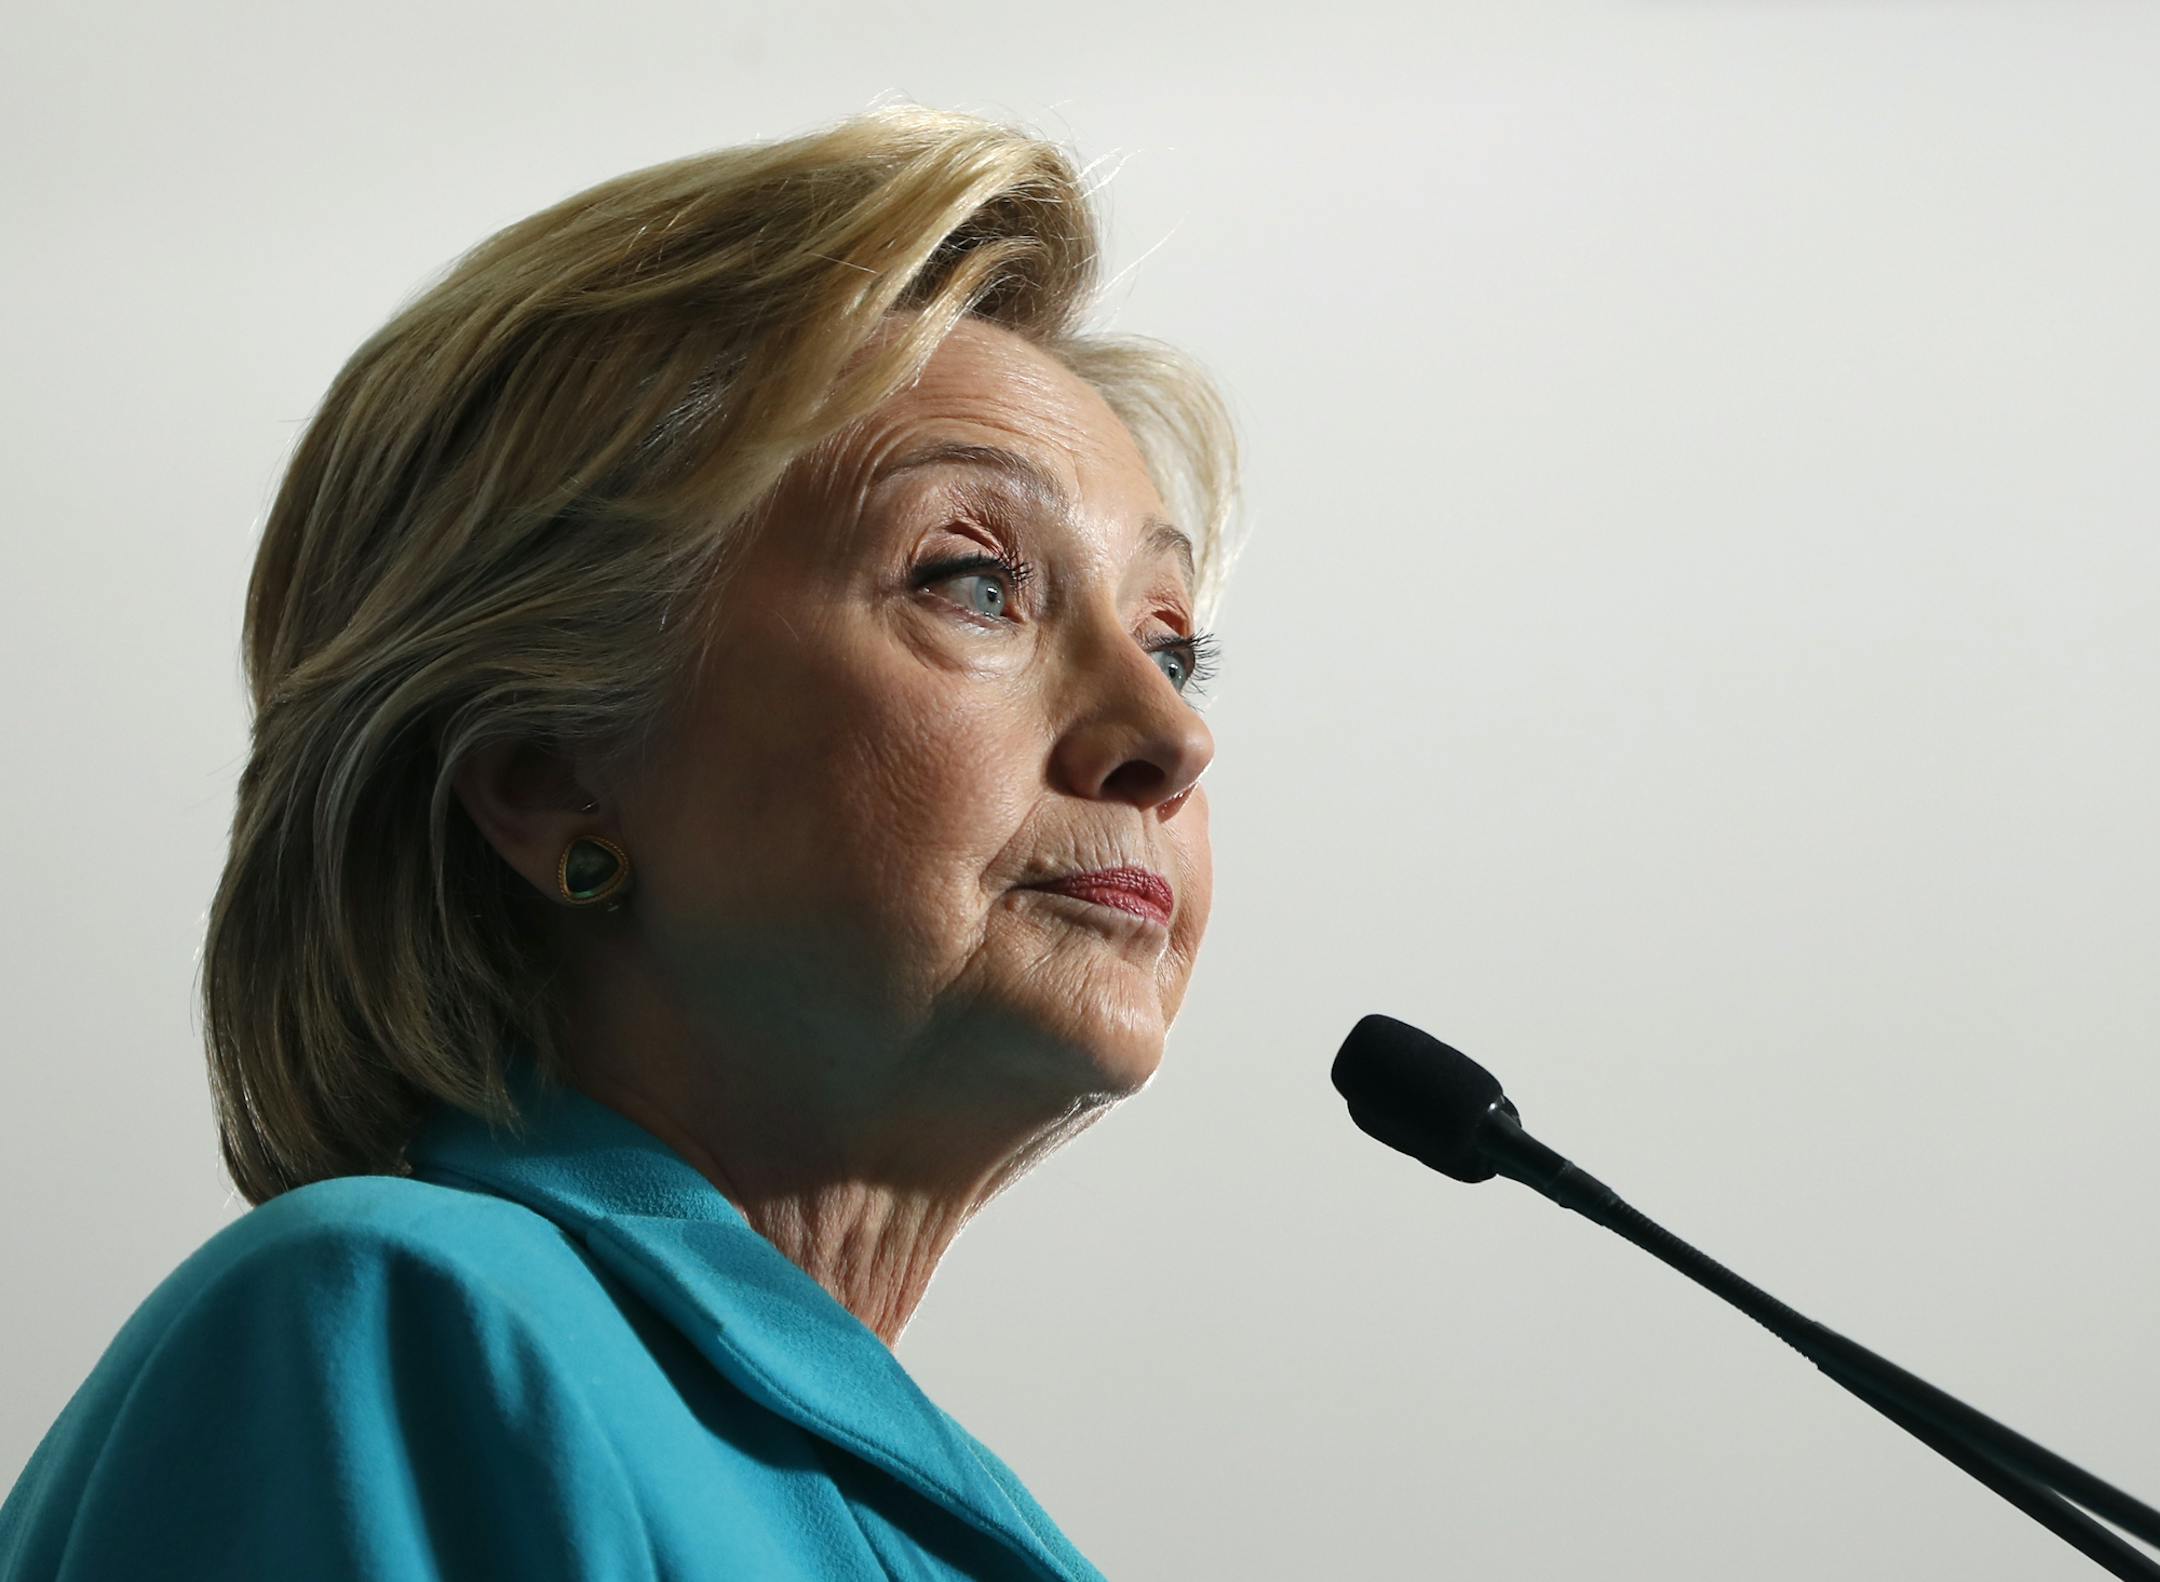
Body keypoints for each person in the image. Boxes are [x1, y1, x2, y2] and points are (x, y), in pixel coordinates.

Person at [0, 102, 1244, 1580]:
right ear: (544, 776)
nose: (1170, 739)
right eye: (975, 582)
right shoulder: (393, 1329)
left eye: (1174, 648)